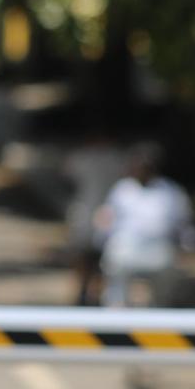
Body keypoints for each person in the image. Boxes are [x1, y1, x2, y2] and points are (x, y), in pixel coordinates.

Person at [98, 146, 195, 310]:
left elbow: (184, 223)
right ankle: (116, 308)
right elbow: (106, 217)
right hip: (126, 247)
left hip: (159, 249)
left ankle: (160, 308)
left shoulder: (170, 191)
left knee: (167, 274)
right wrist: (101, 237)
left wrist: (189, 245)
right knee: (114, 263)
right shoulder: (122, 189)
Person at [62, 124, 133, 307]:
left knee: (93, 256)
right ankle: (89, 292)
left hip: (96, 213)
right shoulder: (118, 159)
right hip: (96, 213)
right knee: (91, 256)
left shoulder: (87, 157)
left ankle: (89, 292)